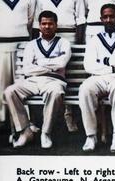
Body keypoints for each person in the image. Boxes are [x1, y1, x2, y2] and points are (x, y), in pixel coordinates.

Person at [4, 11, 71, 148]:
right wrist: (51, 66)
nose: (47, 26)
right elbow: (27, 69)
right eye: (44, 24)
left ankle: (46, 133)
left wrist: (39, 63)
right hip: (33, 81)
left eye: (50, 23)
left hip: (54, 81)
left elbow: (62, 64)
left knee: (56, 93)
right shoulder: (32, 44)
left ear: (56, 25)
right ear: (39, 26)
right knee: (10, 91)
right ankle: (25, 131)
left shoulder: (63, 43)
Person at [33, 0, 86, 132]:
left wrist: (78, 44)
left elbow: (80, 20)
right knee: (51, 76)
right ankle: (56, 115)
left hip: (69, 36)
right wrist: (37, 43)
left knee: (70, 77)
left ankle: (70, 115)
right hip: (47, 37)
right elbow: (36, 23)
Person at [79, 4, 115, 152]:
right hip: (99, 77)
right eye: (105, 17)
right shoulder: (94, 40)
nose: (109, 19)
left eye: (112, 16)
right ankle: (91, 135)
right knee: (85, 88)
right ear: (101, 19)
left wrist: (105, 61)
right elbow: (89, 65)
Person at [0, 0, 35, 125]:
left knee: (21, 85)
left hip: (22, 46)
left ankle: (22, 122)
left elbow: (31, 20)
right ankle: (2, 122)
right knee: (1, 85)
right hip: (1, 46)